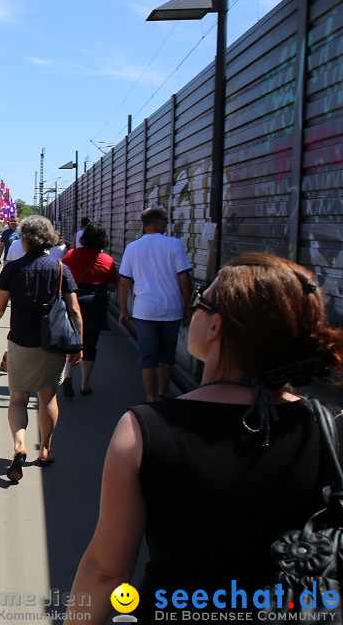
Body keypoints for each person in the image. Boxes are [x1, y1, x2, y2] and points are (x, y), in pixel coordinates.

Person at [68, 253, 343, 621]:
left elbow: (107, 571)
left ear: (216, 327)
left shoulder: (144, 429)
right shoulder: (329, 429)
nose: (193, 310)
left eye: (200, 302)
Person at [0, 216, 82, 483]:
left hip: (21, 340)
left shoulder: (14, 268)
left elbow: (0, 303)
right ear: (50, 239)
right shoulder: (61, 269)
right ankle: (46, 448)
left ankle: (19, 445)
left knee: (17, 398)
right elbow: (74, 309)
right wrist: (79, 345)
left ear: (25, 239)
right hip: (53, 341)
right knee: (48, 397)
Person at [118, 207, 194, 402]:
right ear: (157, 221)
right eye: (165, 220)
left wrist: (124, 311)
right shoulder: (174, 245)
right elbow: (184, 278)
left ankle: (150, 398)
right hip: (172, 309)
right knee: (167, 355)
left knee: (147, 356)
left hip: (144, 311)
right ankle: (162, 394)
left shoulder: (133, 247)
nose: (167, 223)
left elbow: (124, 281)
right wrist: (187, 306)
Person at [59, 223, 118, 397]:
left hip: (73, 299)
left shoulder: (71, 254)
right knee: (90, 343)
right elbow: (112, 287)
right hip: (95, 302)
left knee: (71, 339)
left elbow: (60, 275)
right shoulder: (107, 260)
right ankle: (85, 384)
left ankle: (67, 375)